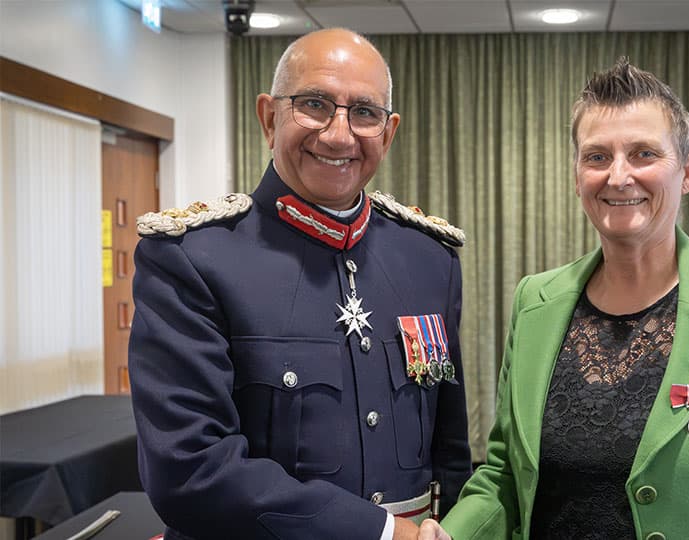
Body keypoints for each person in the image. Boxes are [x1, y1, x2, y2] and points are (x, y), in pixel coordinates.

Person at [432, 59, 689, 539]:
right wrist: (447, 534)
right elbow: (503, 475)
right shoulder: (534, 301)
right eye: (597, 156)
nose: (618, 176)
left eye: (643, 154)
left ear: (686, 170)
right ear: (577, 174)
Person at [128, 29, 471, 540]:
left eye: (364, 112)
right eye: (314, 104)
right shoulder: (191, 259)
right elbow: (189, 470)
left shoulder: (429, 258)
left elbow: (450, 451)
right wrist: (379, 532)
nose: (338, 135)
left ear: (388, 130)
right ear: (269, 117)